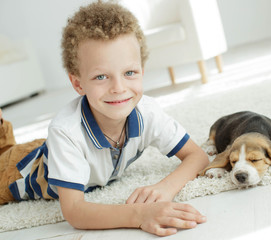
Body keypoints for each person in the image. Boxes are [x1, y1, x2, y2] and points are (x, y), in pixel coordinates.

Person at [0, 1, 209, 236]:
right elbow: (75, 211)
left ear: (142, 69)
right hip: (18, 170)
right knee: (5, 156)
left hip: (52, 151)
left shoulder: (147, 111)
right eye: (101, 76)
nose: (119, 88)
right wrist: (140, 215)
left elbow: (198, 156)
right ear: (78, 83)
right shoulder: (66, 131)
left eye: (130, 73)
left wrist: (166, 188)